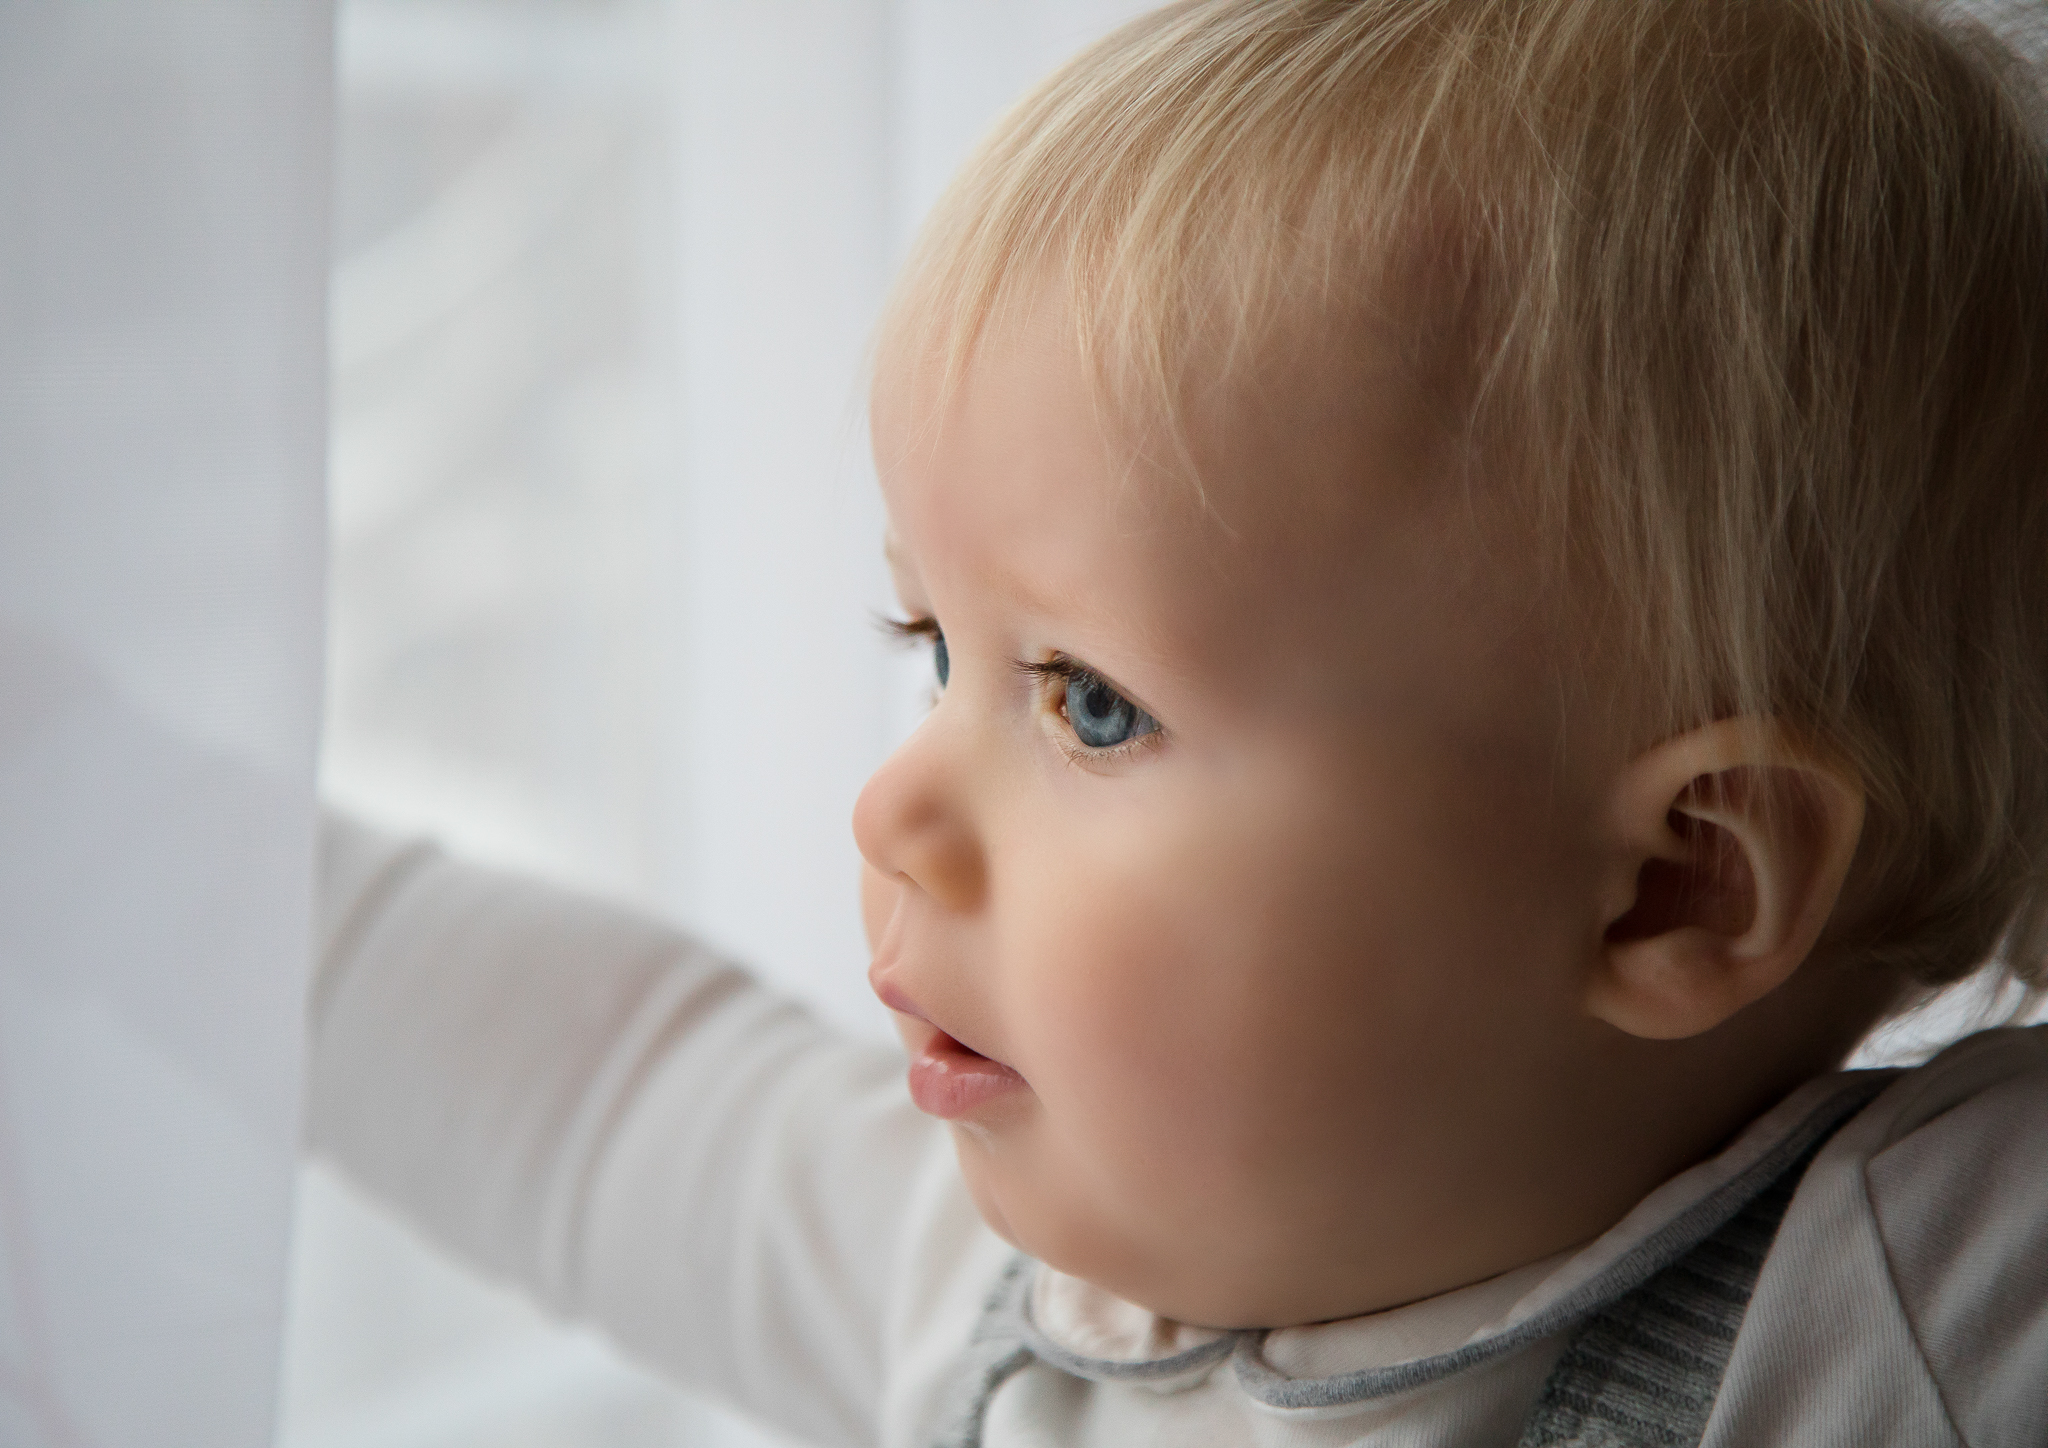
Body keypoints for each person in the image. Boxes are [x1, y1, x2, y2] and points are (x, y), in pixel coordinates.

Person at [308, 1, 2048, 1443]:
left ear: (1673, 885)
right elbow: (609, 1108)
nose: (891, 811)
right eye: (935, 646)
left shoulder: (1920, 1313)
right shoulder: (998, 1319)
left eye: (1090, 704)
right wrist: (186, 844)